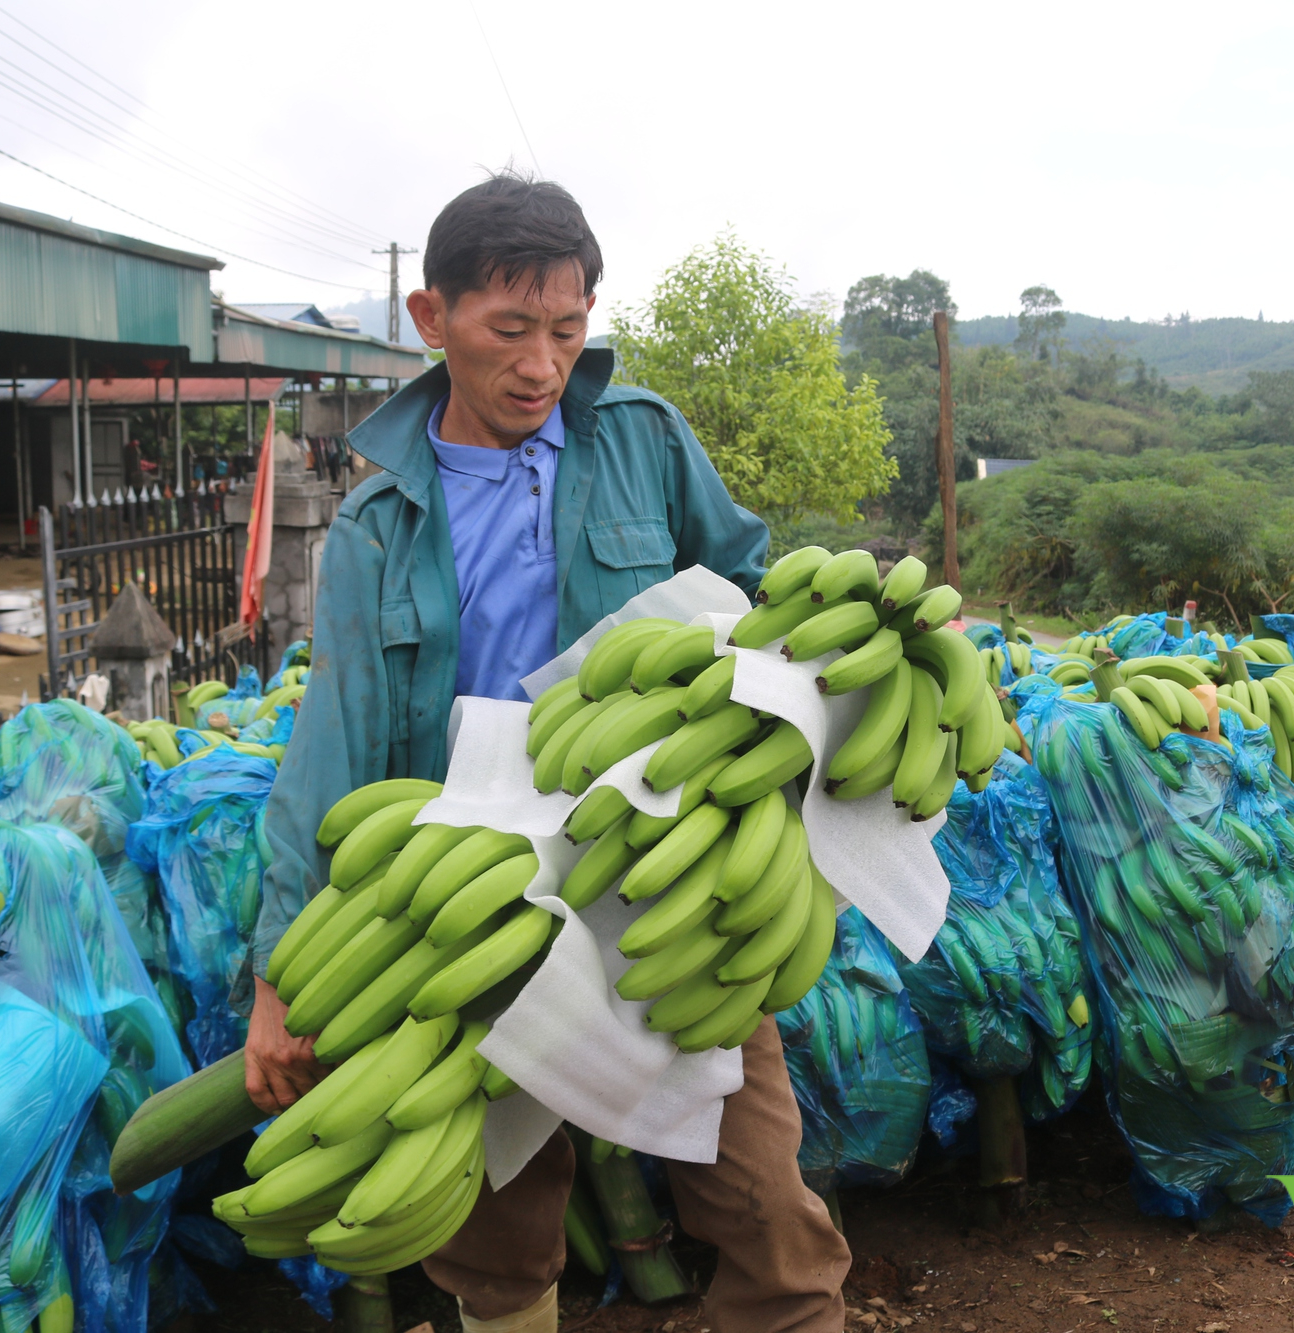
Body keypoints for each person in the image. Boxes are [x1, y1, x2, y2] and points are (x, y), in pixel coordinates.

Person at [248, 175, 850, 1332]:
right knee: (499, 1236)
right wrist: (280, 967)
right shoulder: (380, 529)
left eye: (565, 331)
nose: (539, 364)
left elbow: (753, 586)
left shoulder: (643, 442)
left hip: (668, 867)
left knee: (762, 1198)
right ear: (432, 319)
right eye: (508, 330)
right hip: (474, 892)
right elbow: (329, 751)